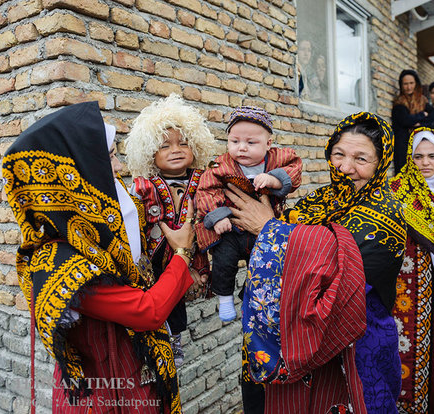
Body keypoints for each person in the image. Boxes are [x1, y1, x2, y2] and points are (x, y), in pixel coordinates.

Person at [2, 101, 201, 412]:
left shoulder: (100, 232)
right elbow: (147, 310)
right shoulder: (61, 263)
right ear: (76, 169)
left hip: (134, 381)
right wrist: (182, 253)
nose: (119, 167)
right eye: (108, 157)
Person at [230, 112, 407, 413]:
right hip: (290, 340)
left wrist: (269, 229)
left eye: (361, 159)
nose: (345, 167)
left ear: (381, 164)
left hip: (355, 348)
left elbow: (340, 268)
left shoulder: (386, 214)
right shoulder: (318, 201)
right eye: (339, 154)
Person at [125, 93, 215, 367]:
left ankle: (175, 339)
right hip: (155, 257)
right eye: (164, 146)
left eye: (184, 143)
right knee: (157, 298)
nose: (176, 150)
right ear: (150, 152)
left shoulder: (205, 180)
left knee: (177, 304)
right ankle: (153, 344)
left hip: (191, 255)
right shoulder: (145, 185)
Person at [195, 106, 302, 322]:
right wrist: (217, 216)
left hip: (265, 229)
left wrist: (275, 180)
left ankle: (250, 297)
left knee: (266, 264)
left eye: (251, 143)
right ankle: (224, 298)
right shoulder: (221, 164)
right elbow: (206, 190)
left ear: (268, 143)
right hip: (231, 229)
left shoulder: (277, 159)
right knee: (223, 261)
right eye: (235, 142)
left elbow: (296, 167)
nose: (242, 148)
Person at [389, 128, 434, 413]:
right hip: (410, 289)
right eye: (417, 156)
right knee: (411, 351)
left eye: (433, 156)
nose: (425, 163)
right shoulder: (397, 191)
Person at [392, 69, 434, 174]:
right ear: (401, 85)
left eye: (411, 83)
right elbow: (405, 120)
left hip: (420, 143)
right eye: (405, 84)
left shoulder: (423, 100)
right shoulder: (399, 102)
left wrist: (419, 124)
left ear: (416, 84)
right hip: (404, 145)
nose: (408, 87)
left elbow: (433, 117)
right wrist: (422, 115)